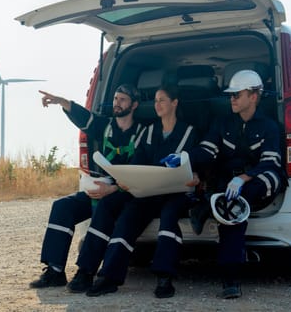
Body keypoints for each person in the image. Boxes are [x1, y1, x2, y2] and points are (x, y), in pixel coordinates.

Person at [71, 84, 200, 298]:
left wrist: (197, 177)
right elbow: (138, 160)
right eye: (155, 100)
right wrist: (125, 180)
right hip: (147, 191)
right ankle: (102, 275)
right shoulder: (149, 131)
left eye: (162, 100)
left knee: (168, 218)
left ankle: (164, 278)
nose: (157, 105)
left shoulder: (189, 132)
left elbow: (197, 161)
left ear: (174, 103)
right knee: (123, 215)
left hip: (175, 193)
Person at [29, 84, 143, 292]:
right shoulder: (105, 126)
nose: (117, 103)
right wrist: (61, 101)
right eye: (116, 99)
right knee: (62, 207)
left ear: (134, 105)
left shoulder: (143, 133)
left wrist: (114, 189)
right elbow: (84, 117)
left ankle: (86, 272)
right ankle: (54, 271)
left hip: (126, 192)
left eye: (123, 100)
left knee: (104, 208)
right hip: (101, 188)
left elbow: (142, 171)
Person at [187, 69, 287, 299]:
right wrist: (184, 158)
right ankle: (229, 277)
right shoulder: (222, 123)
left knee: (234, 204)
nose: (231, 99)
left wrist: (244, 178)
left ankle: (207, 207)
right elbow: (207, 150)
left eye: (237, 95)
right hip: (228, 182)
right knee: (232, 208)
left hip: (260, 180)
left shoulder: (269, 126)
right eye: (230, 95)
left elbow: (270, 162)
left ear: (253, 96)